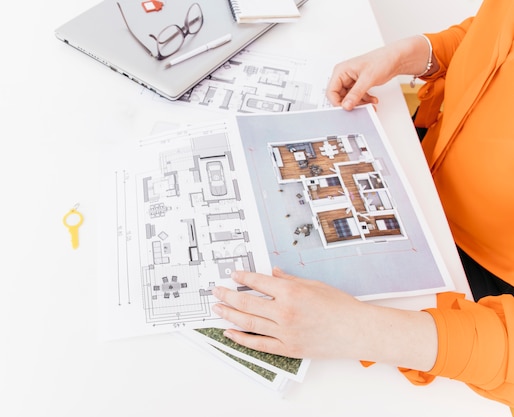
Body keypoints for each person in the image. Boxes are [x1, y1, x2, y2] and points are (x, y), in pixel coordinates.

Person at [211, 0, 514, 407]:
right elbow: (495, 33)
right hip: (422, 173)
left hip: (487, 287)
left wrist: (361, 330)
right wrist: (424, 53)